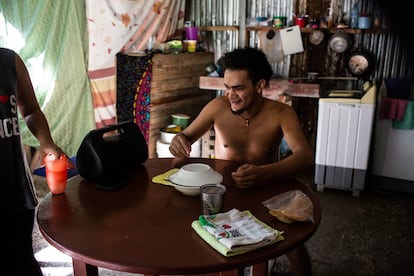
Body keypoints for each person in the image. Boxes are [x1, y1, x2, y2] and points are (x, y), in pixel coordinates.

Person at [169, 47, 314, 275]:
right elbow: (186, 135)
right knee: (207, 246)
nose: (230, 95)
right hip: (221, 191)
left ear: (260, 85)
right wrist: (179, 139)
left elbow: (305, 157)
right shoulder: (218, 107)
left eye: (238, 88)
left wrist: (265, 173)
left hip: (264, 190)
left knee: (293, 247)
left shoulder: (281, 113)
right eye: (226, 87)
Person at [0, 47, 71, 275]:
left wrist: (47, 143)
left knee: (21, 260)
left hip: (15, 190)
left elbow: (30, 109)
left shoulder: (9, 61)